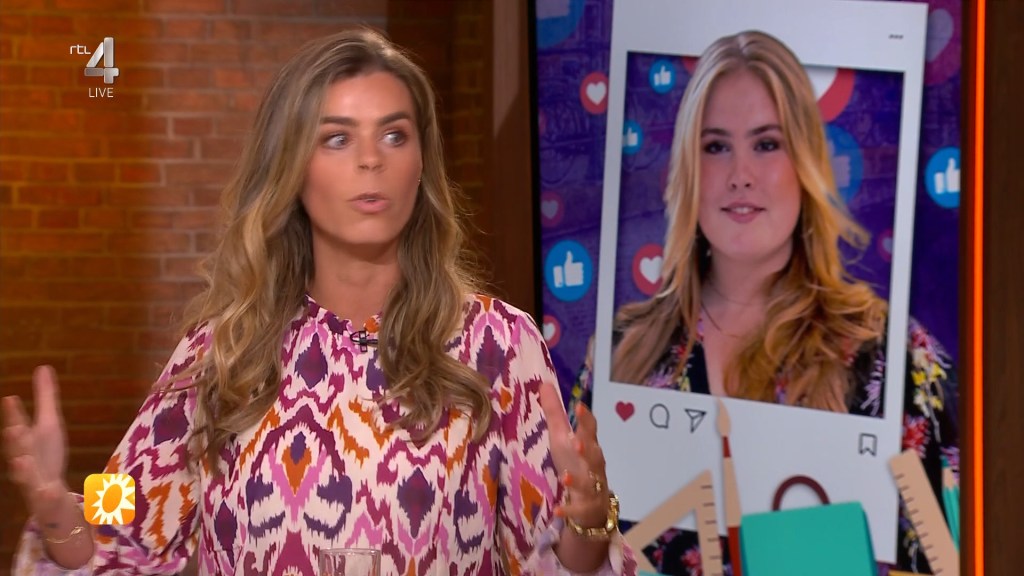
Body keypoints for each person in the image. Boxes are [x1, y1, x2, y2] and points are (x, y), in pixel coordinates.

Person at [3, 28, 638, 575]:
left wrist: (589, 520)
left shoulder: (498, 344)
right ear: (291, 168)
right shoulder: (221, 350)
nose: (371, 160)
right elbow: (117, 532)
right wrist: (60, 514)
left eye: (395, 135)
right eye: (337, 138)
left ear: (421, 162)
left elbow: (555, 557)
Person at [570, 30, 958, 574]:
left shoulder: (897, 360)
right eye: (716, 146)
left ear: (806, 162)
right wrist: (587, 517)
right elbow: (574, 560)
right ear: (688, 168)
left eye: (767, 143)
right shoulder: (621, 355)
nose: (740, 176)